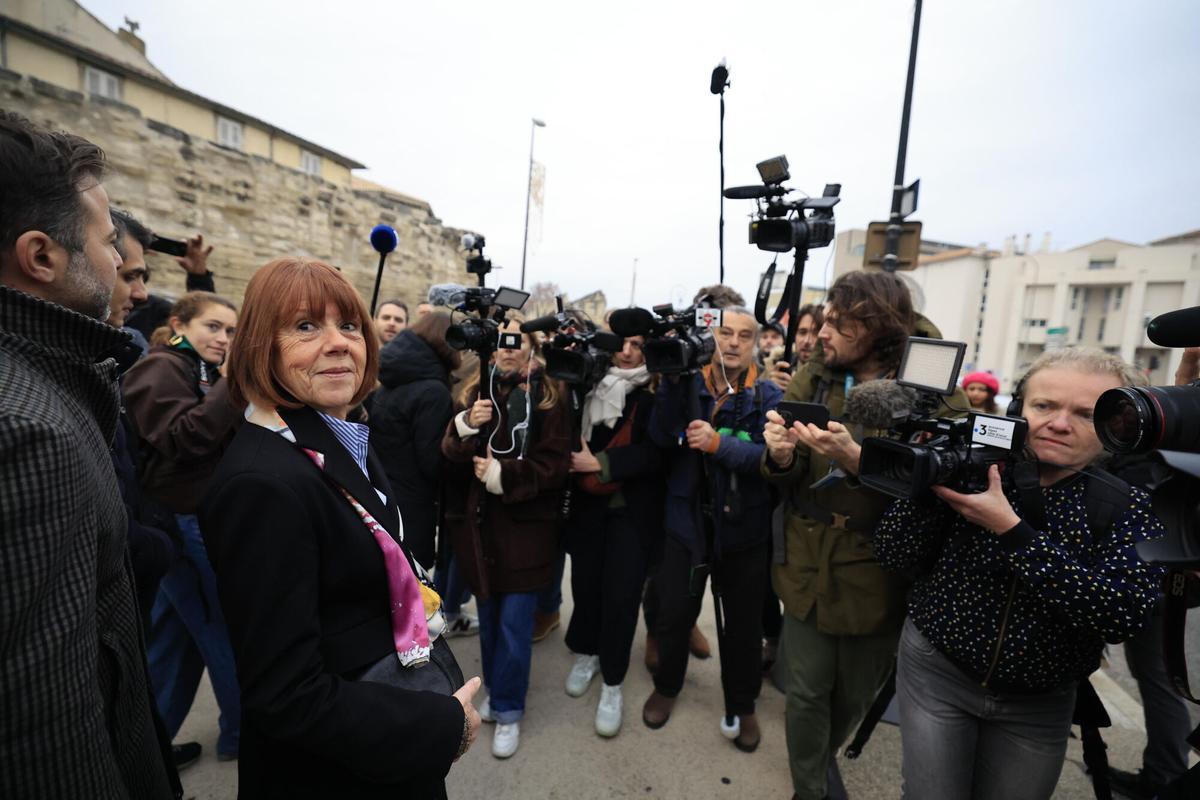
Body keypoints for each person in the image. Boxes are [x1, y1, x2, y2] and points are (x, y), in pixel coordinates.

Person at [199, 257, 480, 798]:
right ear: (261, 344)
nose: (338, 343)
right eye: (306, 326)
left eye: (349, 325)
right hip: (335, 774)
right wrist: (441, 726)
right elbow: (286, 696)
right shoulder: (262, 485)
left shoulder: (330, 436)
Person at [873, 346, 1165, 800]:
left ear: (1114, 427)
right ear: (1017, 409)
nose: (1060, 423)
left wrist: (1011, 531)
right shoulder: (976, 466)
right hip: (938, 673)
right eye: (1044, 405)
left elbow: (1121, 615)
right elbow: (893, 552)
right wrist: (930, 484)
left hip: (1040, 701)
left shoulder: (1127, 505)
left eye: (1085, 413)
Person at [0, 111, 174, 797]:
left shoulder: (51, 381)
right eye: (108, 244)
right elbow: (41, 731)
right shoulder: (27, 431)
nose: (124, 272)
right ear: (42, 256)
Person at [762, 271, 965, 800]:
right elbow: (785, 462)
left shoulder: (933, 385)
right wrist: (780, 456)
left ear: (876, 325)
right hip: (807, 563)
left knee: (852, 695)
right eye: (824, 319)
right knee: (805, 692)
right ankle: (810, 788)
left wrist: (861, 464)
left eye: (839, 322)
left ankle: (820, 761)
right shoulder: (819, 373)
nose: (821, 334)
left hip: (878, 572)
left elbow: (952, 483)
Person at [641, 306, 782, 753]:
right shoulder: (688, 382)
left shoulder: (768, 396)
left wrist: (720, 445)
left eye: (745, 334)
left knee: (742, 627)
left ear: (755, 342)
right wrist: (672, 384)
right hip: (686, 523)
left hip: (744, 529)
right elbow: (662, 437)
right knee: (674, 615)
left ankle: (743, 705)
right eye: (726, 333)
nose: (735, 342)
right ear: (712, 336)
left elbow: (769, 460)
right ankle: (667, 687)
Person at [441, 317, 572, 758]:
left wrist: (504, 475)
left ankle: (510, 708)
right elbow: (450, 459)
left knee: (516, 627)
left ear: (533, 346)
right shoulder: (472, 392)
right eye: (501, 341)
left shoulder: (551, 396)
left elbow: (554, 466)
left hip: (527, 533)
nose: (509, 349)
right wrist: (464, 425)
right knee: (491, 621)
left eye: (519, 341)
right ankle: (496, 693)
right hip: (480, 533)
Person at [122, 290, 244, 762]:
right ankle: (241, 734)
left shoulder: (198, 369)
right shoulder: (160, 367)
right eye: (213, 327)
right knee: (221, 632)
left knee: (176, 640)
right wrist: (231, 386)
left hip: (194, 517)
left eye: (231, 331)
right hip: (182, 520)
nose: (224, 338)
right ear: (179, 325)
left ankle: (147, 746)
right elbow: (183, 438)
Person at [564, 334, 665, 736]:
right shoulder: (588, 384)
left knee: (622, 596)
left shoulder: (657, 392)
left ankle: (613, 680)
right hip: (588, 510)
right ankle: (587, 652)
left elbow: (659, 453)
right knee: (586, 586)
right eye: (621, 343)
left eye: (638, 344)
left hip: (631, 513)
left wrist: (602, 462)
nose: (626, 351)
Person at [369, 311, 459, 569]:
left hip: (382, 495)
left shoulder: (397, 375)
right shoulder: (433, 391)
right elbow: (432, 462)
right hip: (411, 507)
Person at [124, 232, 215, 342]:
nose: (141, 294)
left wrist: (199, 278)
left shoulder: (154, 309)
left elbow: (201, 323)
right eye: (129, 276)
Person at [767, 303, 824, 391]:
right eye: (802, 332)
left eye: (815, 333)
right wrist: (769, 389)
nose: (807, 341)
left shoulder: (834, 376)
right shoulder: (776, 366)